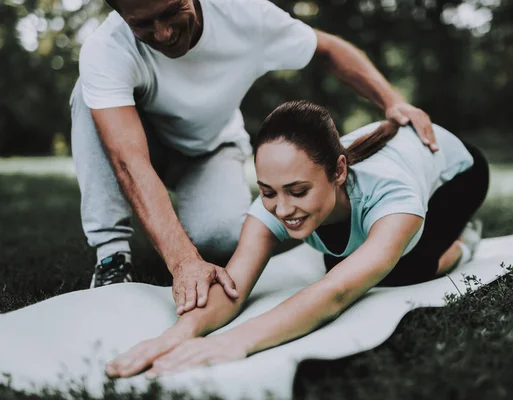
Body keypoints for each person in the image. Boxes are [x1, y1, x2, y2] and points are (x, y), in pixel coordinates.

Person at [70, 0, 439, 315]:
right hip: (143, 144)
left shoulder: (243, 13)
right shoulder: (107, 48)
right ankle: (112, 256)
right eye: (143, 23)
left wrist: (392, 100)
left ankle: (189, 232)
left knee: (219, 239)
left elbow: (326, 49)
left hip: (211, 149)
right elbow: (129, 162)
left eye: (171, 11)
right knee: (88, 98)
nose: (164, 33)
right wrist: (183, 262)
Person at [104, 100, 489, 378]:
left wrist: (236, 342)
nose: (282, 209)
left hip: (458, 172)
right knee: (340, 260)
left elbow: (335, 293)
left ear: (338, 171)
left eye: (298, 191)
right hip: (386, 176)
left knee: (402, 269)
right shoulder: (271, 204)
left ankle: (465, 239)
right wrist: (178, 334)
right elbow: (233, 285)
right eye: (268, 191)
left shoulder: (393, 198)